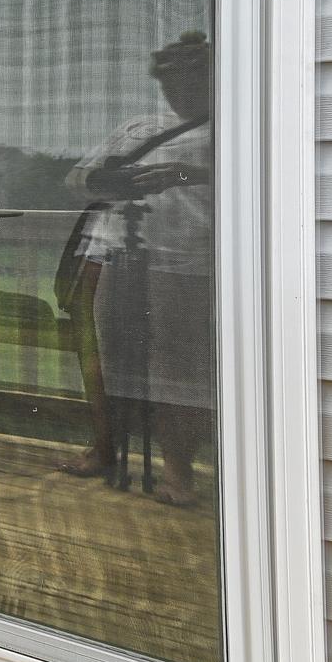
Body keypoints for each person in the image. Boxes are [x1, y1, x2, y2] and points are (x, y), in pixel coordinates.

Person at [58, 32, 215, 505]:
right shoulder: (140, 126)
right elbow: (76, 179)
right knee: (102, 355)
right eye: (169, 82)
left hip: (182, 256)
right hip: (111, 247)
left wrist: (182, 175)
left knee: (173, 362)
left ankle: (179, 474)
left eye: (188, 80)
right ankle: (105, 449)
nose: (177, 92)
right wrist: (106, 179)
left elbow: (258, 178)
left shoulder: (234, 126)